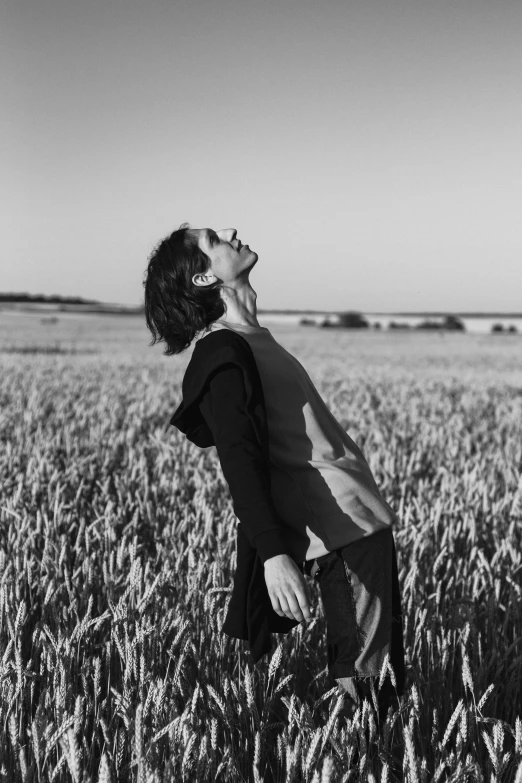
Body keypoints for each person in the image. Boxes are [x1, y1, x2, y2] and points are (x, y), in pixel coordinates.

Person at [143, 222, 406, 721]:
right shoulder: (222, 353)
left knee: (385, 684)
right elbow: (238, 462)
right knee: (368, 687)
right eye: (214, 240)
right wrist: (273, 555)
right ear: (203, 279)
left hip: (361, 523)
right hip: (339, 529)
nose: (232, 232)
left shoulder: (253, 338)